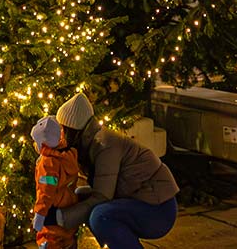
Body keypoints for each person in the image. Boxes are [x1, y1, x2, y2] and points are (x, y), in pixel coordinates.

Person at [50, 92, 178, 249]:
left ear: (73, 129)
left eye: (62, 130)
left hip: (158, 209)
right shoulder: (89, 145)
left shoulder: (105, 144)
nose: (60, 136)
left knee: (99, 216)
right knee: (80, 196)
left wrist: (58, 218)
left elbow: (101, 197)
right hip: (139, 199)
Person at [29, 116, 82, 248]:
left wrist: (40, 214)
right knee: (66, 235)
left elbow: (46, 190)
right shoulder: (69, 155)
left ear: (43, 143)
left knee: (50, 236)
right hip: (68, 204)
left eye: (35, 141)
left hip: (52, 208)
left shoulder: (47, 163)